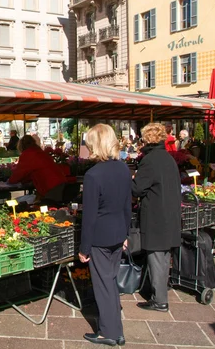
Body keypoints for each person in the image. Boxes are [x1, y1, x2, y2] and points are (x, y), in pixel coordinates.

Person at [78, 124, 130, 347]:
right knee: (110, 281)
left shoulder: (93, 175)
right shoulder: (123, 168)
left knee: (103, 284)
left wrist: (84, 248)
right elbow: (128, 205)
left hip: (100, 236)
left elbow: (89, 216)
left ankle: (109, 332)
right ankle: (115, 330)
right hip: (118, 233)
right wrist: (126, 233)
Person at [132, 123, 181, 313]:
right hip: (169, 213)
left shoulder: (150, 160)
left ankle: (160, 300)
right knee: (162, 256)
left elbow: (137, 189)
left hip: (156, 215)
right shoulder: (167, 158)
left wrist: (132, 178)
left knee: (157, 258)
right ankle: (158, 294)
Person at [8, 135, 68, 204]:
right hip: (58, 181)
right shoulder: (38, 151)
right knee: (54, 205)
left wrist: (10, 181)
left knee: (51, 207)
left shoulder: (28, 154)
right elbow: (33, 171)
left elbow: (19, 173)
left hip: (50, 185)